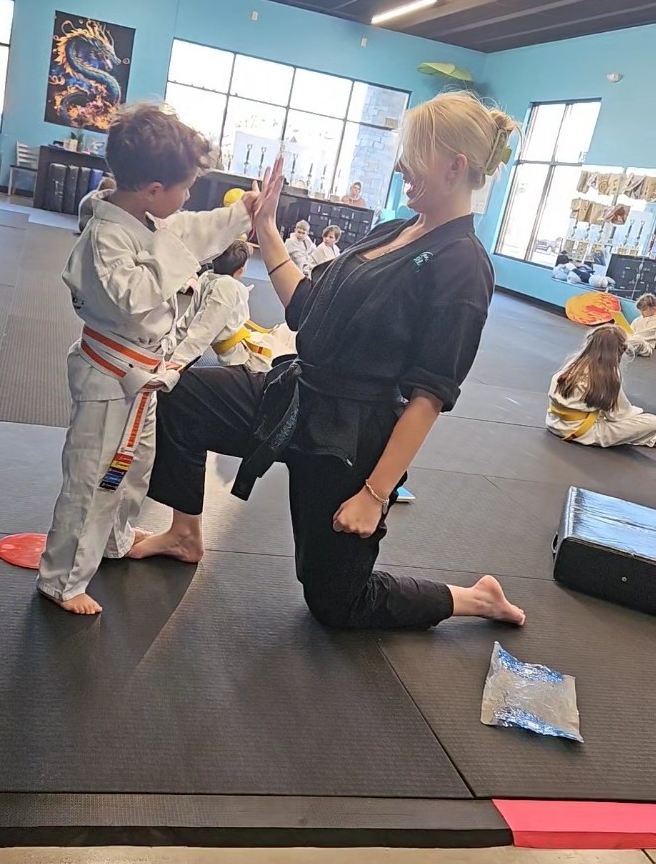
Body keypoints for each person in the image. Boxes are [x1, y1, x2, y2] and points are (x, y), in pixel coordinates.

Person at [136, 92, 525, 631]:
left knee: (337, 603)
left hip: (350, 439)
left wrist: (374, 494)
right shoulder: (395, 229)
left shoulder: (463, 265)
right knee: (181, 396)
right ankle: (184, 535)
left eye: (413, 154)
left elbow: (430, 396)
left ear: (454, 166)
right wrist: (267, 227)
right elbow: (306, 306)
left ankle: (476, 599)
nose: (400, 167)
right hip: (295, 395)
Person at [36, 104, 257, 615]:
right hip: (110, 375)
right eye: (186, 187)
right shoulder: (106, 237)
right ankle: (62, 580)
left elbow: (195, 230)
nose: (188, 199)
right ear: (154, 189)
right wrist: (177, 256)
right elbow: (133, 297)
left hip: (142, 375)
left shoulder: (145, 217)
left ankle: (114, 539)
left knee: (134, 467)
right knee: (92, 479)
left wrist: (245, 211)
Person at [170, 239, 295, 371]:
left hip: (245, 341)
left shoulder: (208, 278)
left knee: (287, 331)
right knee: (291, 359)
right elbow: (205, 330)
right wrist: (179, 361)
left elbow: (191, 319)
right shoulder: (226, 288)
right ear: (241, 270)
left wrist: (171, 343)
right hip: (244, 356)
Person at [547, 326, 656, 446]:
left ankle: (647, 438)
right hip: (583, 432)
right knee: (652, 422)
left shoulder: (573, 364)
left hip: (555, 423)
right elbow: (619, 415)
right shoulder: (607, 375)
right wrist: (638, 414)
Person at [628, 293, 656, 357]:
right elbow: (630, 330)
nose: (641, 313)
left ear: (653, 308)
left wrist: (633, 337)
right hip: (632, 342)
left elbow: (647, 334)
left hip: (646, 346)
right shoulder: (637, 320)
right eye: (640, 310)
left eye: (644, 310)